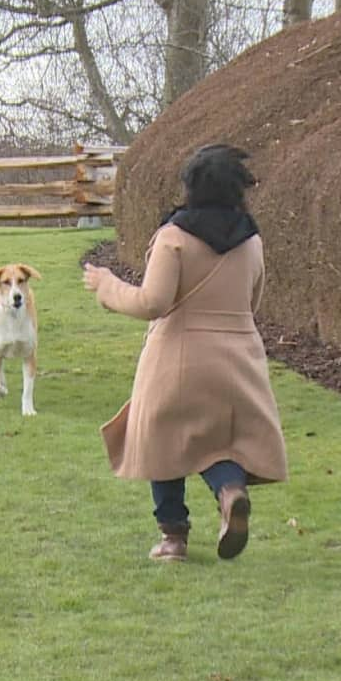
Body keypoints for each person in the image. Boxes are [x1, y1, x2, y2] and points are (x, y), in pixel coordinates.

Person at [83, 144, 288, 561]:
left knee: (161, 440)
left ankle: (173, 538)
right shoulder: (251, 241)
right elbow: (253, 301)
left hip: (177, 354)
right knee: (217, 441)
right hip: (238, 355)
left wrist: (107, 287)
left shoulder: (173, 237)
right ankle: (230, 492)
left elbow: (152, 303)